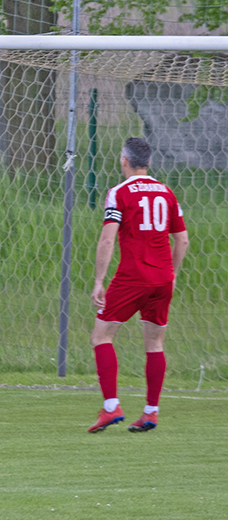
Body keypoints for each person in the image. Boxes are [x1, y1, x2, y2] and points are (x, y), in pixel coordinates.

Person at [87, 137, 189, 433]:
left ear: (124, 161)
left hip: (132, 276)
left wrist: (98, 281)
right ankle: (151, 412)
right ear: (149, 162)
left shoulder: (119, 192)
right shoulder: (167, 193)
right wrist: (171, 273)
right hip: (162, 279)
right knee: (155, 343)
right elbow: (182, 239)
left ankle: (110, 407)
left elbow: (107, 238)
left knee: (101, 336)